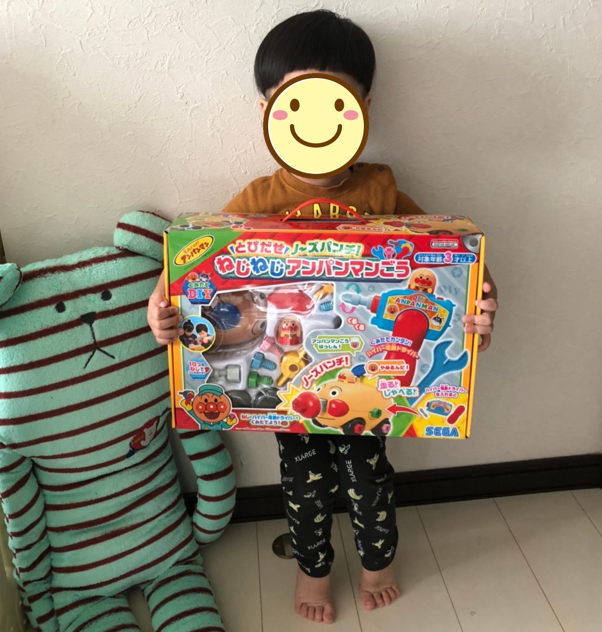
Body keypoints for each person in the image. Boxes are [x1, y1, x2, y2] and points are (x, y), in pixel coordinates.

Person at [147, 9, 499, 625]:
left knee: (370, 478)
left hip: (366, 383)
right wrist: (162, 307)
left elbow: (456, 259)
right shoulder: (256, 200)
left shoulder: (383, 193)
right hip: (289, 382)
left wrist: (480, 312)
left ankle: (377, 563)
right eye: (297, 105)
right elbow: (194, 262)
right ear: (267, 111)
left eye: (335, 103)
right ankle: (312, 570)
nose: (316, 124)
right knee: (303, 485)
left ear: (364, 106)